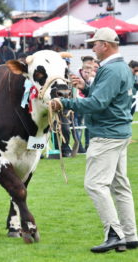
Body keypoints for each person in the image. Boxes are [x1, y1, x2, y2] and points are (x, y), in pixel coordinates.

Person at [51, 27, 138, 253]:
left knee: (95, 184)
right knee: (120, 186)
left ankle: (114, 234)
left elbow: (98, 104)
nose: (92, 47)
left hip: (106, 134)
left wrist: (65, 103)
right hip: (119, 132)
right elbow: (107, 98)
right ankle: (130, 235)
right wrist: (86, 87)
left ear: (105, 45)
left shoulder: (111, 70)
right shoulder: (122, 67)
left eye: (95, 43)